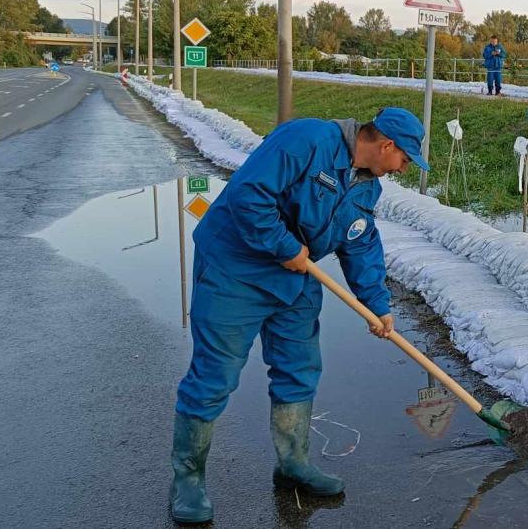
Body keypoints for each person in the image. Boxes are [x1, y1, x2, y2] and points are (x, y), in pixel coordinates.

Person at [169, 108, 429, 524]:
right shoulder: (307, 140)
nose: (402, 169)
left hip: (295, 277)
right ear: (387, 145)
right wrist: (284, 246)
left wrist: (377, 305)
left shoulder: (367, 189)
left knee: (299, 369)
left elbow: (361, 245)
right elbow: (248, 195)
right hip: (235, 268)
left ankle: (293, 464)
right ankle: (188, 479)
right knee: (214, 376)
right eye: (405, 160)